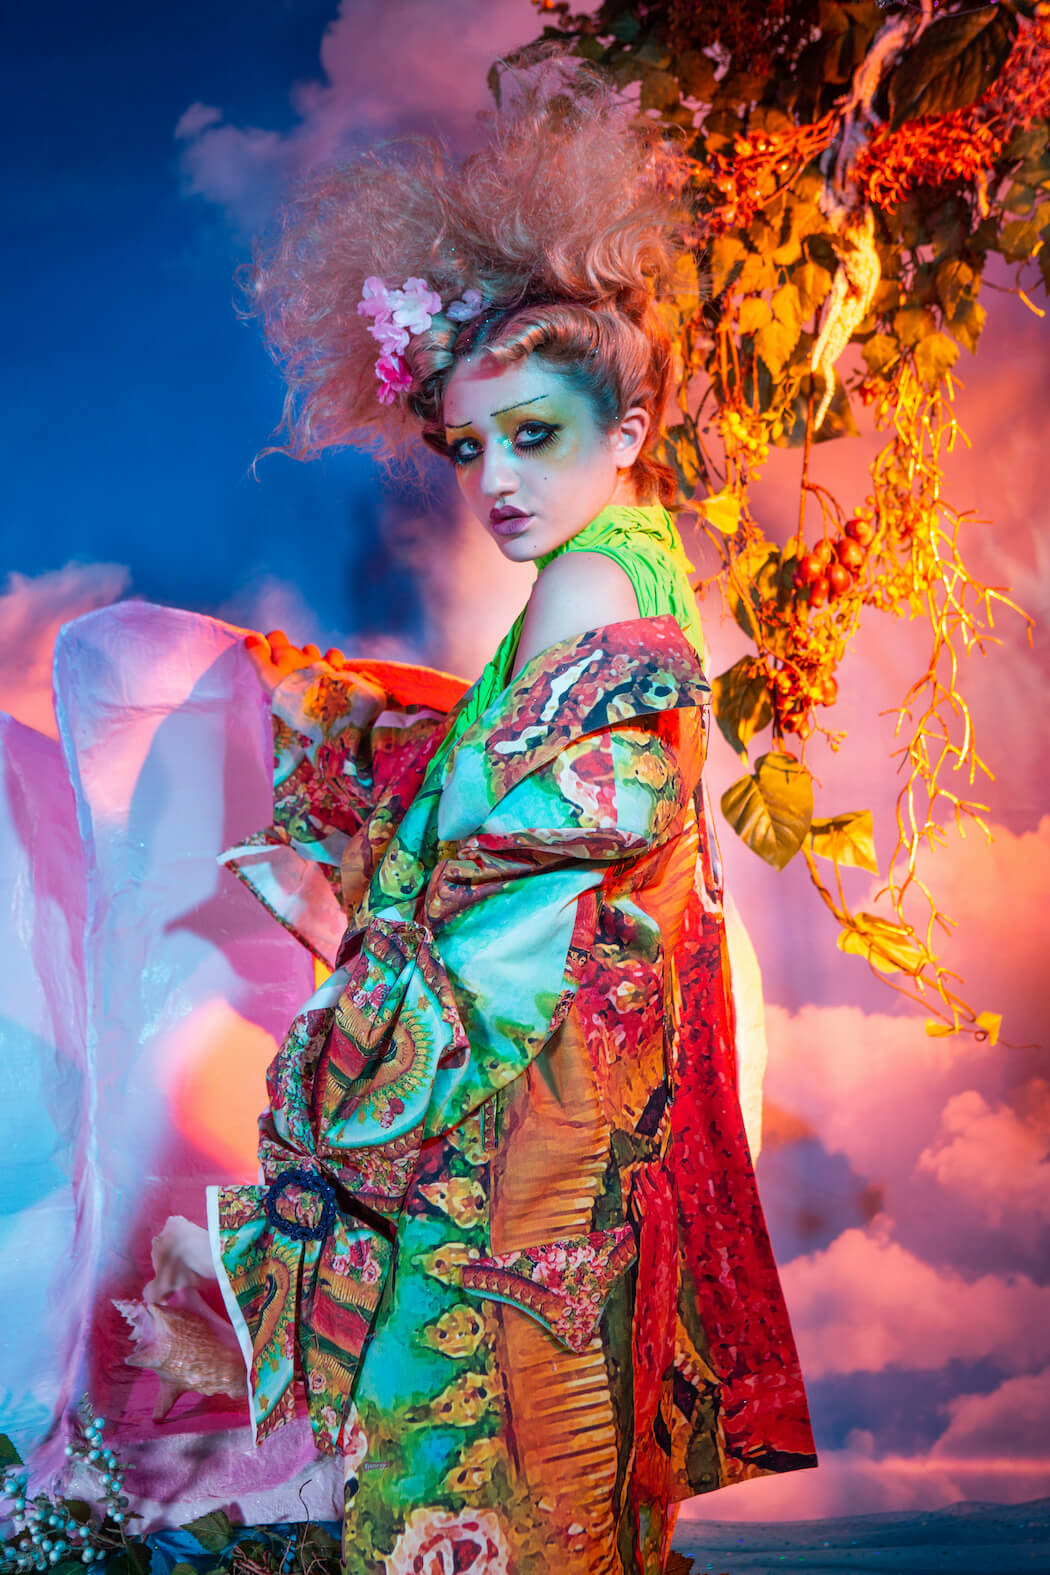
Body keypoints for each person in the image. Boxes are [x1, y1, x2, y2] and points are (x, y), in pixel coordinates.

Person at [182, 56, 815, 1575]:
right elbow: (508, 806)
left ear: (629, 427)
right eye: (470, 448)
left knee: (464, 1455)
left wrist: (360, 923)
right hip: (567, 1107)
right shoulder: (625, 567)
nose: (496, 484)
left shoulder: (591, 586)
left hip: (520, 1113)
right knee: (549, 1458)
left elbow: (527, 863)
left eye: (534, 434)